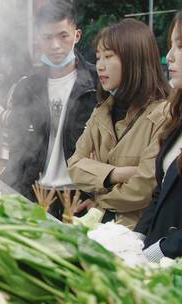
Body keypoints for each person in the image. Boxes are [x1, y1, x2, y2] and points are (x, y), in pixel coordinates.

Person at [68, 19, 170, 229]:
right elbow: (74, 166)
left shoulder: (163, 115)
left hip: (138, 235)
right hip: (102, 229)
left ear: (134, 60)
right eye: (98, 57)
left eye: (108, 56)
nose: (100, 66)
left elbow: (145, 186)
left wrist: (99, 193)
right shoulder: (102, 111)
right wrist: (118, 174)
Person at [2, 0, 98, 216]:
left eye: (63, 36)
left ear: (77, 35)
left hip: (80, 198)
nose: (55, 45)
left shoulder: (96, 84)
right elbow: (18, 152)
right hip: (36, 194)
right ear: (38, 40)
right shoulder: (26, 88)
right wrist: (12, 197)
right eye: (47, 37)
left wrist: (98, 199)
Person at [134, 12, 182, 261]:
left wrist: (157, 253)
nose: (170, 55)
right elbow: (159, 192)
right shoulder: (177, 116)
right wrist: (138, 238)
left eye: (180, 46)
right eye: (170, 46)